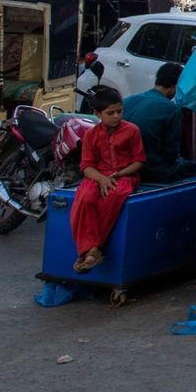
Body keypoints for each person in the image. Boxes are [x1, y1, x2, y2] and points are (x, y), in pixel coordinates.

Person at [70, 84, 145, 273]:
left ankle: (91, 250)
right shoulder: (90, 135)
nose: (117, 116)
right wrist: (102, 179)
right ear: (97, 113)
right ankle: (92, 250)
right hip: (97, 176)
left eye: (119, 111)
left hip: (125, 175)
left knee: (114, 196)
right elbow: (86, 166)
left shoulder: (132, 130)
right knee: (85, 198)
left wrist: (119, 174)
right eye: (110, 113)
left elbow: (139, 161)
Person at [122, 62, 196, 183]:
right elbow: (171, 152)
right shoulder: (171, 109)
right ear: (176, 86)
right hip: (149, 169)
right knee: (193, 168)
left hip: (121, 164)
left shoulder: (128, 100)